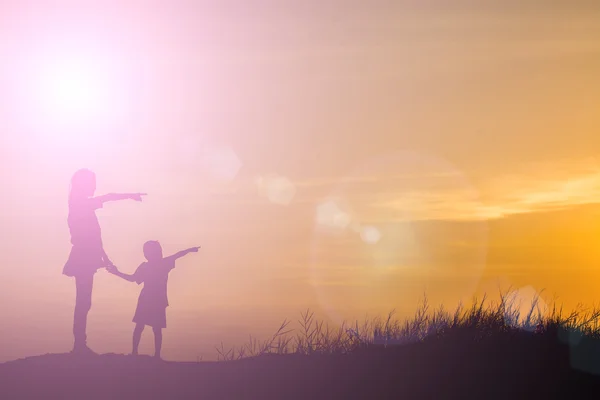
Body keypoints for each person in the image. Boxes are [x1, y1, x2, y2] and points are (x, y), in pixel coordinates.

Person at [63, 168, 146, 354]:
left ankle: (80, 344)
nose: (94, 186)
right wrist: (130, 195)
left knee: (84, 302)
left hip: (86, 257)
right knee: (83, 302)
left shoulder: (80, 205)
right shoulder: (80, 205)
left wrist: (105, 258)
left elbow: (94, 237)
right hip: (83, 257)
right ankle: (79, 346)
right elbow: (107, 198)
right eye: (91, 182)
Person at [107, 241, 200, 359]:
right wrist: (190, 250)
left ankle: (139, 353)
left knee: (144, 327)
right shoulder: (162, 264)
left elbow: (132, 279)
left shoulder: (148, 266)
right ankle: (152, 355)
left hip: (149, 299)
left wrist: (117, 273)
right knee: (152, 328)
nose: (160, 252)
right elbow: (178, 254)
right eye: (158, 250)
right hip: (154, 300)